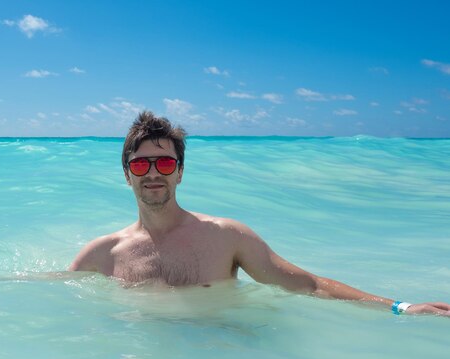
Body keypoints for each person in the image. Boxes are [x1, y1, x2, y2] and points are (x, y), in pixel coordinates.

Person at [70, 111, 450, 316]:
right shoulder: (103, 254)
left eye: (165, 163)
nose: (153, 173)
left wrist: (400, 307)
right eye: (140, 165)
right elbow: (48, 295)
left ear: (181, 172)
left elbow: (309, 285)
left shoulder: (226, 237)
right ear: (126, 174)